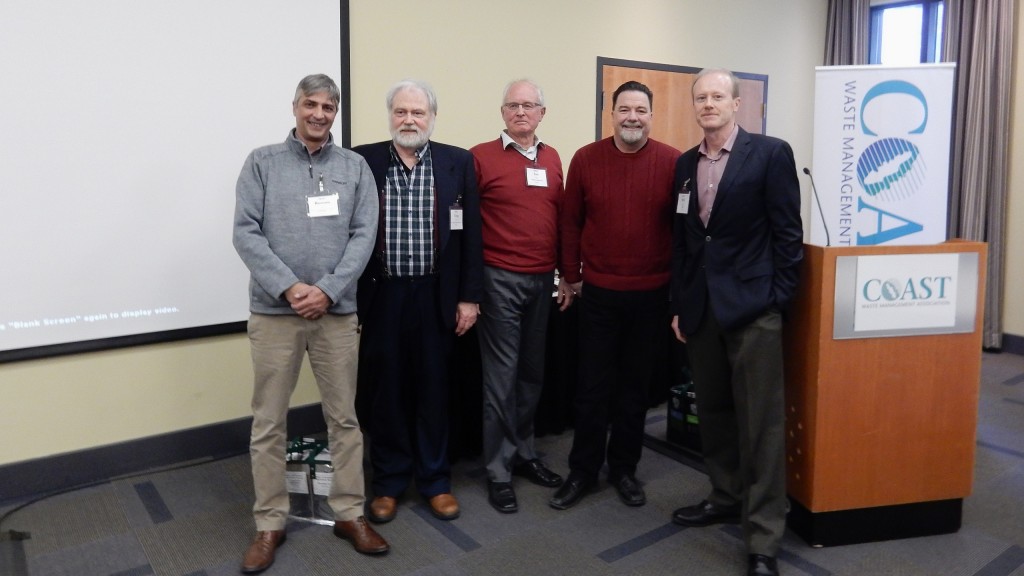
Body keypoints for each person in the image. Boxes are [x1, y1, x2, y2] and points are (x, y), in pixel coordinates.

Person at [232, 74, 389, 573]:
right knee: (268, 423)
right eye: (310, 104)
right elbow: (245, 233)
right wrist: (290, 287)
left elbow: (365, 234)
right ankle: (270, 522)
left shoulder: (355, 167)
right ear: (295, 106)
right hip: (275, 315)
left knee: (344, 419)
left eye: (327, 106)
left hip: (336, 315)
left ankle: (349, 512)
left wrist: (328, 290)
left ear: (335, 112)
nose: (319, 114)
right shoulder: (262, 162)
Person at [669, 68, 803, 576]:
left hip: (753, 312)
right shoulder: (685, 164)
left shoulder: (770, 154)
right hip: (703, 312)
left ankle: (764, 537)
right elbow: (685, 243)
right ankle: (724, 494)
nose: (708, 104)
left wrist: (777, 301)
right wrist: (680, 305)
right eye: (700, 97)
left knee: (762, 426)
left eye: (717, 96)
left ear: (736, 103)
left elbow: (788, 234)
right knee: (716, 412)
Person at [353, 79, 483, 524]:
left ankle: (434, 480)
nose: (409, 120)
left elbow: (471, 238)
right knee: (385, 390)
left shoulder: (457, 162)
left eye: (418, 113)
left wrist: (469, 297)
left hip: (436, 294)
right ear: (390, 115)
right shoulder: (363, 160)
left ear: (432, 117)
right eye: (401, 112)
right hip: (383, 293)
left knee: (434, 388)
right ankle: (388, 483)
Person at [551, 80, 680, 511]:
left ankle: (624, 468)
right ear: (612, 114)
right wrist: (570, 275)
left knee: (634, 389)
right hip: (600, 295)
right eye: (624, 109)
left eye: (640, 110)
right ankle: (583, 471)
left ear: (650, 115)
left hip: (651, 296)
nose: (632, 117)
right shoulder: (586, 160)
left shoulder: (673, 162)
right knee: (591, 387)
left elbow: (683, 234)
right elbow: (570, 222)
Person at [469, 79, 569, 514]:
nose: (521, 112)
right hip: (499, 280)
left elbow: (561, 220)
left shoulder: (552, 158)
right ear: (503, 112)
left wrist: (567, 275)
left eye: (529, 106)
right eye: (513, 105)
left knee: (532, 374)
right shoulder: (481, 157)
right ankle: (497, 470)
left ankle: (524, 453)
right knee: (501, 380)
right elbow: (468, 227)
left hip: (542, 280)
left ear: (542, 113)